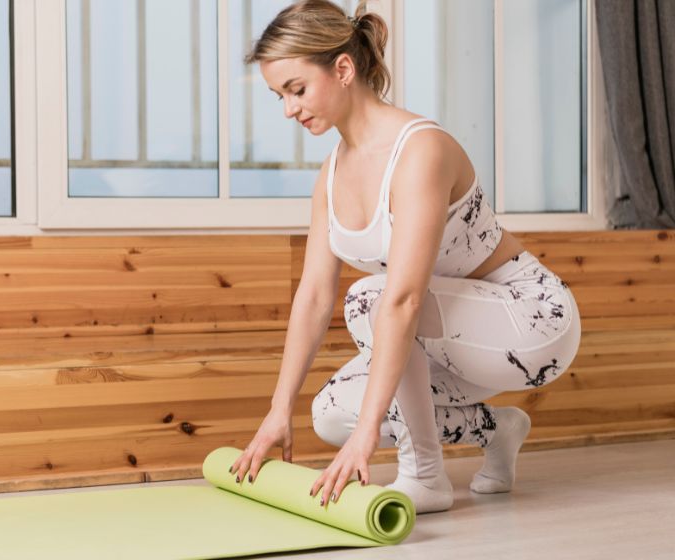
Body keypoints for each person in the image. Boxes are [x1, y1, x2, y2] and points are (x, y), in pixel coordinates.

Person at [228, 0, 581, 514]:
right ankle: (498, 429)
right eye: (279, 95)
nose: (289, 109)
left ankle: (425, 475)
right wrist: (278, 410)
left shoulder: (420, 150)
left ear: (343, 69)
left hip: (530, 320)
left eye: (297, 90)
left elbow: (403, 300)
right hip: (453, 337)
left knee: (371, 298)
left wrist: (369, 438)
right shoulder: (328, 178)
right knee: (332, 413)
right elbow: (312, 296)